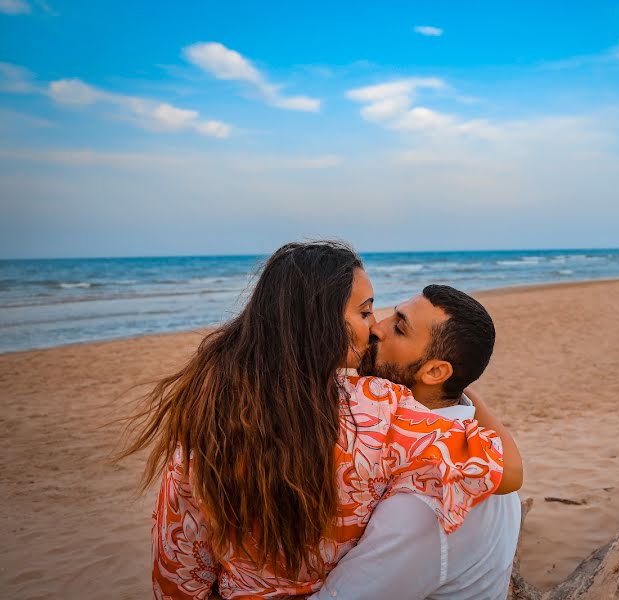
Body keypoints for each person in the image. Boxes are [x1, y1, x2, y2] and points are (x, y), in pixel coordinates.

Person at [119, 241, 523, 599]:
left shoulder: (207, 410)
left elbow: (179, 561)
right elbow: (507, 470)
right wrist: (467, 391)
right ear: (322, 321)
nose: (375, 326)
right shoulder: (378, 412)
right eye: (365, 312)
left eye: (385, 319)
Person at [313, 285, 520, 600]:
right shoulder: (473, 440)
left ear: (435, 372)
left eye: (399, 328)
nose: (376, 328)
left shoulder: (433, 488)